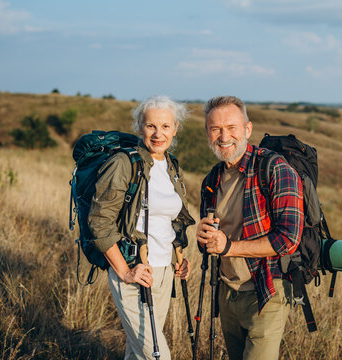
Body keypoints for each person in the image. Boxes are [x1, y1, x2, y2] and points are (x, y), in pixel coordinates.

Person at [196, 96, 304, 360]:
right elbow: (214, 243)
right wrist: (203, 239)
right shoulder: (212, 179)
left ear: (247, 129)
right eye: (215, 129)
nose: (224, 136)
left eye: (231, 127)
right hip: (227, 292)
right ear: (208, 134)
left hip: (266, 290)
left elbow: (288, 239)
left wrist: (229, 247)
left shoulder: (274, 168)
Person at [88, 95, 195, 360]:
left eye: (166, 126)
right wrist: (124, 272)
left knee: (139, 354)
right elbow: (99, 222)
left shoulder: (170, 165)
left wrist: (180, 259)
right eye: (151, 126)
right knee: (159, 356)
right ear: (139, 126)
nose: (158, 134)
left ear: (176, 128)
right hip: (135, 271)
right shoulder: (124, 164)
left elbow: (173, 219)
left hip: (164, 272)